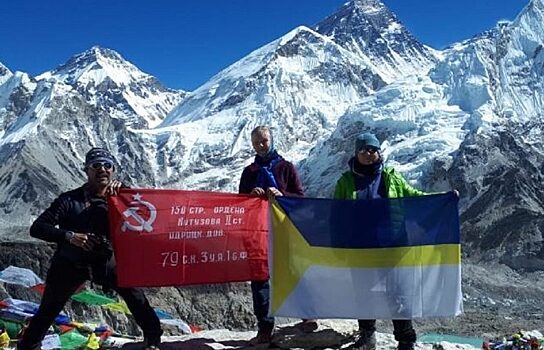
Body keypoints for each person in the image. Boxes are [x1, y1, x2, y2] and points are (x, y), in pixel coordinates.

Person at [17, 147, 162, 350]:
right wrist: (69, 237)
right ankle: (29, 346)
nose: (102, 169)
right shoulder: (69, 201)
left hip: (106, 260)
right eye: (96, 165)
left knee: (135, 295)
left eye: (107, 165)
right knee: (49, 308)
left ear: (113, 170)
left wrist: (125, 191)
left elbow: (147, 217)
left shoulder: (122, 198)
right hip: (70, 262)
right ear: (87, 170)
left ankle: (153, 339)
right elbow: (38, 228)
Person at [334, 133, 425, 350]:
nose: (368, 153)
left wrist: (443, 198)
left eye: (372, 149)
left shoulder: (391, 177)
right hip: (360, 247)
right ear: (356, 153)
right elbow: (335, 214)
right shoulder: (345, 181)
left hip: (392, 246)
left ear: (378, 153)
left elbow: (413, 195)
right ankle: (367, 337)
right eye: (363, 149)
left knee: (398, 294)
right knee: (363, 293)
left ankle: (405, 340)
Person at [239, 126, 317, 345]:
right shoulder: (249, 172)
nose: (260, 145)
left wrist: (283, 195)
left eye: (263, 141)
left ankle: (307, 314)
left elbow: (299, 198)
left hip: (284, 228)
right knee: (260, 278)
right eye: (256, 143)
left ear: (272, 139)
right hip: (257, 231)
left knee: (293, 270)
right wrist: (250, 196)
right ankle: (265, 327)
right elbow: (239, 203)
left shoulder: (286, 167)